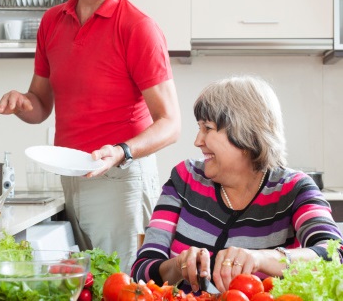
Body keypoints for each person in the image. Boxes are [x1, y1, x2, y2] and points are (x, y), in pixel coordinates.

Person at [0, 0, 181, 272]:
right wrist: (21, 103)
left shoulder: (138, 28)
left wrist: (122, 151)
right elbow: (41, 105)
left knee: (123, 286)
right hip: (72, 175)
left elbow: (171, 123)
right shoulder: (52, 22)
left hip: (121, 179)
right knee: (90, 287)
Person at [131, 75, 343, 294]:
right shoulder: (184, 178)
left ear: (245, 134)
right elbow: (141, 269)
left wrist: (262, 258)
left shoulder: (295, 188)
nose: (197, 141)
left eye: (208, 128)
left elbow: (335, 255)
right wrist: (177, 266)